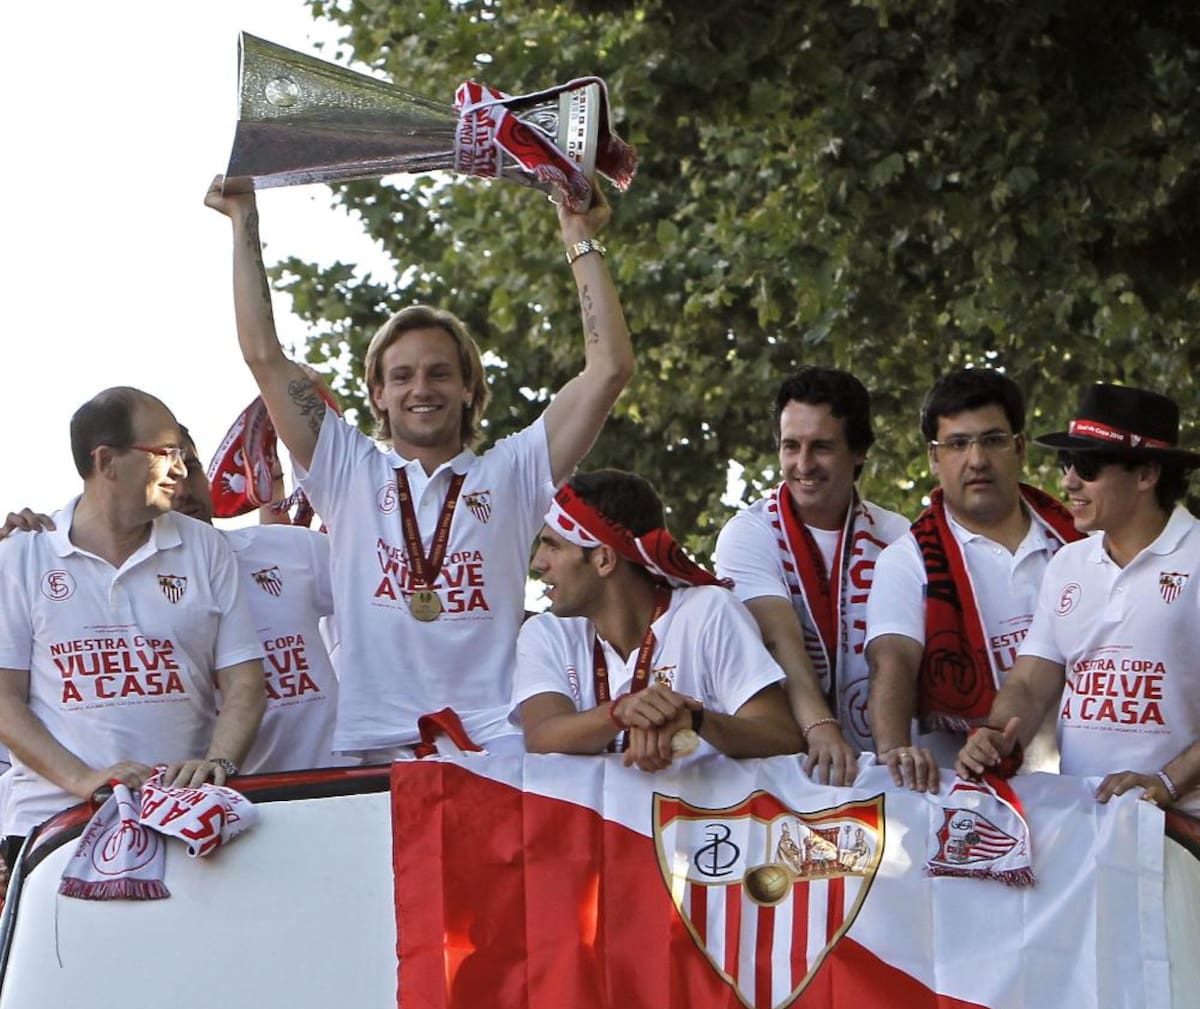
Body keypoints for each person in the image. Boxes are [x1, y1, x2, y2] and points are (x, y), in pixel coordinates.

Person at [205, 176, 634, 760]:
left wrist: (578, 236)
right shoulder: (345, 468)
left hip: (497, 745)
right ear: (377, 393)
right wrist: (242, 220)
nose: (420, 389)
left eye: (438, 373)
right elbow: (264, 355)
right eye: (401, 376)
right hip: (372, 752)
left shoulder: (514, 470)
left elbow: (608, 368)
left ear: (467, 388)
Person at [0, 388, 265, 849]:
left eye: (181, 455)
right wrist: (84, 780)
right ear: (106, 462)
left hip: (185, 822)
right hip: (55, 828)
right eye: (165, 454)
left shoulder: (205, 547)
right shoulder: (20, 557)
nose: (181, 470)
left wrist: (217, 765)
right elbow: (4, 701)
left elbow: (245, 684)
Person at [956, 383, 1200, 813]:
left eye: (1087, 465)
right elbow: (1031, 682)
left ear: (1146, 474)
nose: (1068, 481)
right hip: (1082, 820)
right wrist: (996, 736)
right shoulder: (1068, 563)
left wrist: (1167, 783)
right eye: (1066, 461)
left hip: (1182, 829)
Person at [865, 368, 1081, 791]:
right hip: (971, 798)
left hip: (1084, 789)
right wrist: (893, 752)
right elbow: (891, 663)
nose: (977, 459)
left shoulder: (1079, 543)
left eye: (993, 440)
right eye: (958, 444)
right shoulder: (906, 560)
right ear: (933, 457)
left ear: (1019, 448)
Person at [514, 470, 804, 771]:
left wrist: (696, 721)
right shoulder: (546, 633)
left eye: (553, 546)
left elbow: (781, 735)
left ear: (603, 559)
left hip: (702, 816)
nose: (537, 563)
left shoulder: (708, 611)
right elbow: (541, 736)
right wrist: (619, 713)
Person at [714, 368, 908, 785]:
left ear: (858, 451)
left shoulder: (900, 536)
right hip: (786, 769)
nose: (803, 465)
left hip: (883, 770)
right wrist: (821, 727)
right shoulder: (748, 532)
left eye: (821, 447)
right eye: (790, 446)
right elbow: (778, 637)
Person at [172, 433, 343, 774]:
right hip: (238, 809)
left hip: (344, 792)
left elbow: (390, 592)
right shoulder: (121, 594)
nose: (182, 491)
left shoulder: (293, 549)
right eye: (166, 479)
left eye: (190, 469)